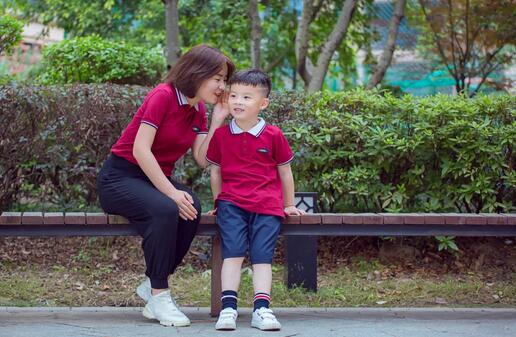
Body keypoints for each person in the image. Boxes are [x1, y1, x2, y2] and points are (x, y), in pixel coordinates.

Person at [97, 44, 235, 327]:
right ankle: (160, 294)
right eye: (217, 78)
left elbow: (201, 159)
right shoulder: (163, 96)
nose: (222, 86)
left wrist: (218, 121)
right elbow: (140, 150)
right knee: (166, 208)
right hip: (119, 177)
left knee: (192, 207)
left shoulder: (197, 110)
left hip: (151, 179)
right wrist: (171, 192)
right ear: (197, 73)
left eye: (224, 80)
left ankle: (151, 286)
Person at [206, 69, 305, 331]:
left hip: (267, 206)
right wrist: (219, 202)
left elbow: (285, 171)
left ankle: (262, 309)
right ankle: (229, 309)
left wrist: (288, 204)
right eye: (234, 95)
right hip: (231, 205)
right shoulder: (221, 136)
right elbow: (215, 170)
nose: (238, 101)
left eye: (247, 97)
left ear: (263, 104)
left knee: (262, 257)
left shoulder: (273, 135)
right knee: (233, 253)